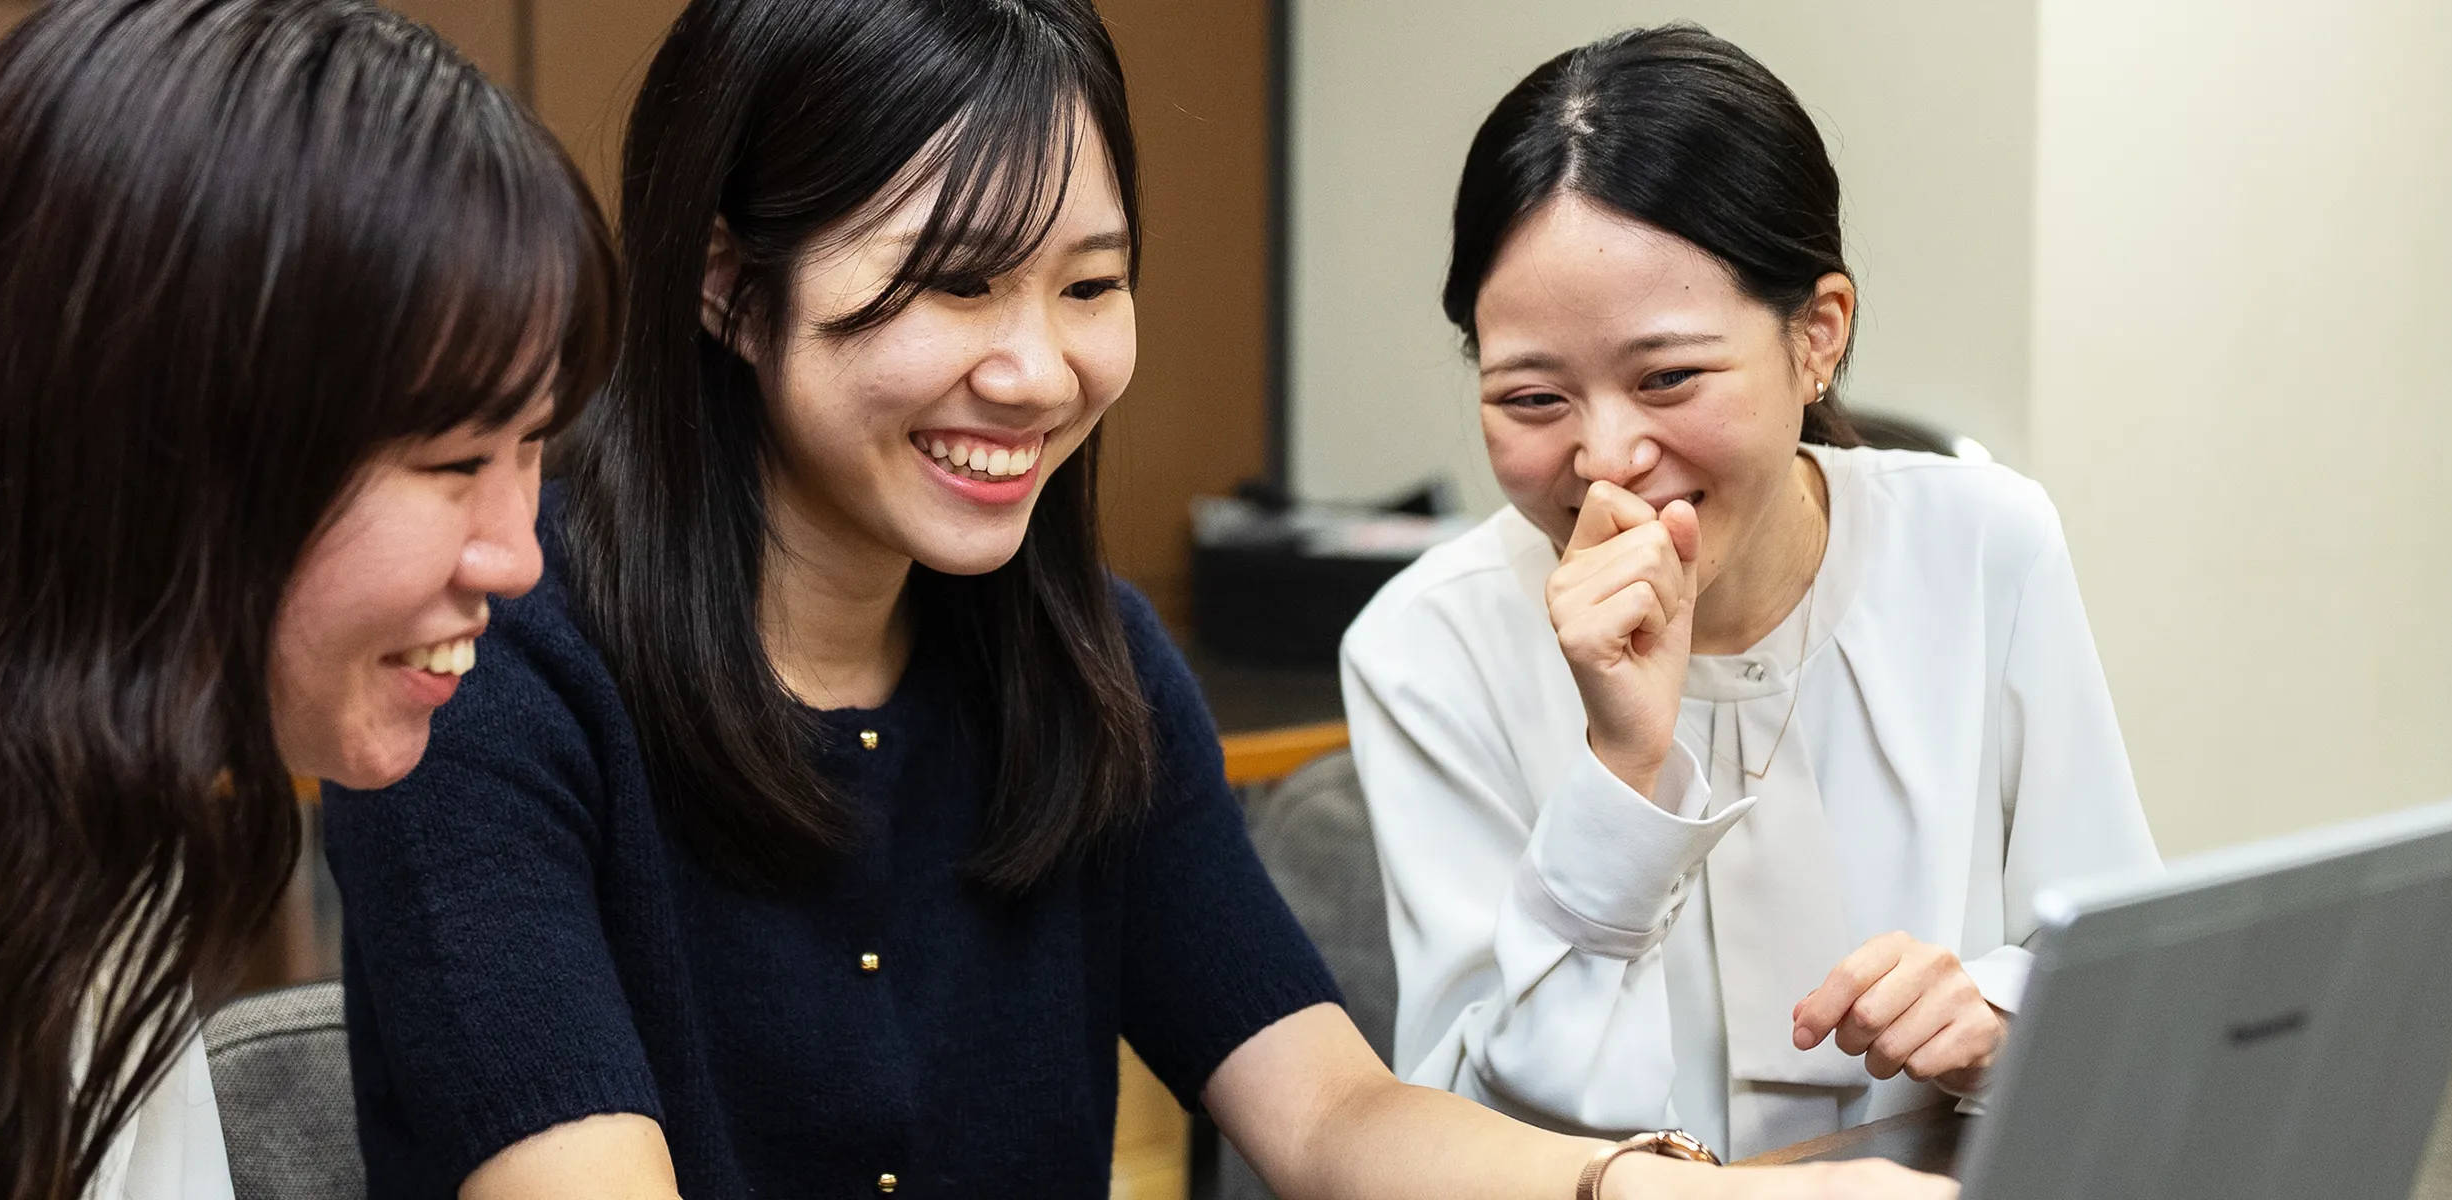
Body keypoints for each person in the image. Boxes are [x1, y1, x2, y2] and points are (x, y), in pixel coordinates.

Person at [327, 2, 1952, 1198]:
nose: (1039, 369)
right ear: (732, 286)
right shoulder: (490, 677)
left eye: (1091, 285)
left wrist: (1669, 1191)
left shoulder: (1083, 664)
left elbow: (1324, 1117)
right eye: (957, 282)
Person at [0, 1, 616, 1196]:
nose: (517, 557)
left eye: (535, 449)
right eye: (452, 466)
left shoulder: (88, 842)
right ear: (165, 446)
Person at [1342, 24, 2163, 1162]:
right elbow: (1475, 1132)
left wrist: (2002, 1015)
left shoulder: (1983, 545)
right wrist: (1621, 772)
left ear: (1817, 335)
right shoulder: (1428, 646)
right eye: (1534, 399)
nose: (1607, 457)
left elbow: (2130, 982)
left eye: (1668, 377)